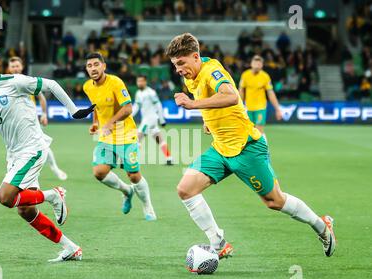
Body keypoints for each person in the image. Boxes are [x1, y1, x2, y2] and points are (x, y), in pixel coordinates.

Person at [166, 33, 336, 259]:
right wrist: (208, 120)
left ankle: (322, 226)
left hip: (247, 147)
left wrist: (193, 104)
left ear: (196, 57)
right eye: (175, 65)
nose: (178, 69)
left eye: (181, 63)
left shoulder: (211, 71)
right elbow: (213, 101)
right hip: (221, 148)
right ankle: (218, 243)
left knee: (275, 201)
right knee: (185, 189)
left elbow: (231, 96)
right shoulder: (190, 76)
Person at [0, 43, 94, 262]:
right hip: (14, 154)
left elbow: (51, 85)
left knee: (5, 197)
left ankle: (54, 195)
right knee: (25, 210)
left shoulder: (14, 82)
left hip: (32, 148)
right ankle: (71, 248)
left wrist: (73, 110)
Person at [83, 52, 157, 221]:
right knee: (99, 172)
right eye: (89, 66)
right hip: (106, 137)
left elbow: (128, 108)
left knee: (134, 175)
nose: (93, 68)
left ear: (104, 66)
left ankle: (148, 206)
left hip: (127, 135)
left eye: (96, 64)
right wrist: (95, 123)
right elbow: (96, 106)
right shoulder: (88, 86)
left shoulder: (115, 82)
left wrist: (109, 123)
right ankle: (126, 190)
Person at [7, 56, 68, 180]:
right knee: (12, 148)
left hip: (30, 121)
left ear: (22, 67)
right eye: (12, 66)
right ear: (9, 68)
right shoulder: (5, 83)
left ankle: (54, 168)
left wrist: (44, 114)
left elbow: (41, 97)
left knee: (42, 144)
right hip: (13, 123)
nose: (15, 68)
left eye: (17, 66)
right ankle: (13, 172)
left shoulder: (28, 81)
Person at [132, 75, 173, 165]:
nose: (140, 83)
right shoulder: (139, 93)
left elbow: (158, 105)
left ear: (145, 82)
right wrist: (129, 115)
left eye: (141, 81)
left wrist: (162, 120)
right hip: (147, 119)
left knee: (137, 138)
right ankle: (169, 158)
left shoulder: (151, 92)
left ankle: (132, 160)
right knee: (159, 139)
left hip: (150, 119)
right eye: (138, 81)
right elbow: (136, 107)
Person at [239, 55, 282, 138]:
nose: (257, 65)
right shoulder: (245, 75)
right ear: (251, 63)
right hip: (248, 107)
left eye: (259, 63)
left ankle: (263, 150)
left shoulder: (265, 76)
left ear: (262, 65)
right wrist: (240, 105)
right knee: (249, 132)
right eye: (255, 62)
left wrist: (277, 109)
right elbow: (241, 90)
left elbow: (270, 93)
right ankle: (253, 150)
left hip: (260, 107)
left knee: (259, 131)